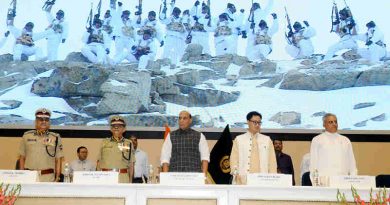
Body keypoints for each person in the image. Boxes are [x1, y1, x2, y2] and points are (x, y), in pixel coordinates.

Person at [230, 111, 277, 185]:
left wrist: (273, 180)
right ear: (248, 122)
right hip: (243, 181)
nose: (257, 125)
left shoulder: (267, 140)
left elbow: (272, 163)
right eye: (255, 122)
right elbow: (234, 159)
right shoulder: (239, 139)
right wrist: (236, 174)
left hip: (263, 181)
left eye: (259, 123)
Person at [310, 113, 357, 186]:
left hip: (343, 182)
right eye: (330, 122)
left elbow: (352, 164)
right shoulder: (317, 140)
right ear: (324, 124)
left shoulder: (345, 140)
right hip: (324, 183)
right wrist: (315, 183)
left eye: (335, 122)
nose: (334, 124)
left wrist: (353, 181)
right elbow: (313, 164)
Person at [18, 108, 64, 182]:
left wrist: (57, 177)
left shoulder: (55, 137)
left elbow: (58, 159)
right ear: (36, 121)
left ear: (49, 122)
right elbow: (22, 157)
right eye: (41, 119)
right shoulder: (27, 136)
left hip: (47, 177)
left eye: (46, 120)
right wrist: (22, 175)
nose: (44, 122)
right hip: (29, 176)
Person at [97, 115, 135, 183]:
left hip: (122, 177)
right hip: (105, 177)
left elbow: (131, 165)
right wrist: (97, 180)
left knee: (122, 194)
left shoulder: (128, 143)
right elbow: (99, 163)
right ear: (111, 129)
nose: (116, 128)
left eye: (119, 126)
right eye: (114, 126)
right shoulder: (104, 142)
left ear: (124, 129)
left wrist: (130, 182)